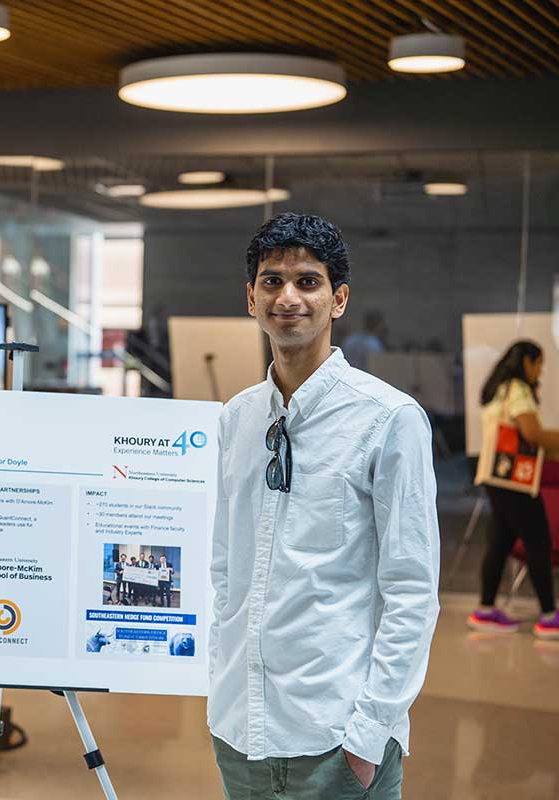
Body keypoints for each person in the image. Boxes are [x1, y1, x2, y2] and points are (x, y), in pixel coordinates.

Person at [208, 213, 440, 800]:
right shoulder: (237, 418)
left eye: (307, 281)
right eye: (271, 281)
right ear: (251, 298)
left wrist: (368, 738)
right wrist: (221, 686)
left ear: (337, 300)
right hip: (240, 734)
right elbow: (225, 569)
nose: (288, 296)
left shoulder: (388, 419)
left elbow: (412, 591)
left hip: (336, 737)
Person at [468, 340, 559, 638]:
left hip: (496, 476)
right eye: (538, 365)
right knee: (539, 542)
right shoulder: (518, 389)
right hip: (515, 480)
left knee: (501, 542)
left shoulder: (499, 388)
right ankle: (549, 616)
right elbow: (531, 433)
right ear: (527, 363)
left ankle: (485, 610)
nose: (539, 371)